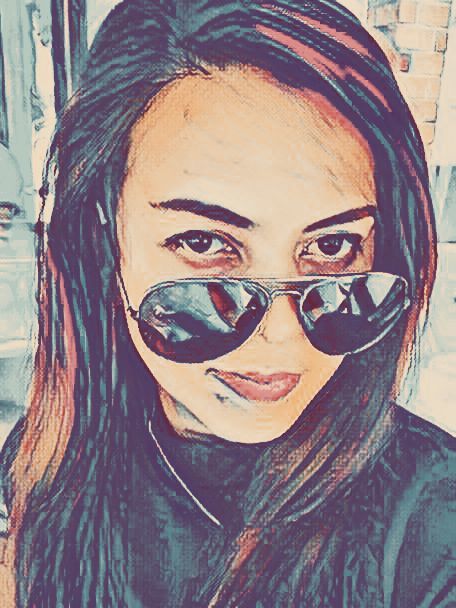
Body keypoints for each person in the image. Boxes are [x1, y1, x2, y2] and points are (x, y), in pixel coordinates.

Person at [0, 1, 455, 606]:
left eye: (332, 246)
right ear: (105, 233)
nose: (283, 336)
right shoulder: (43, 462)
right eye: (203, 243)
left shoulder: (432, 517)